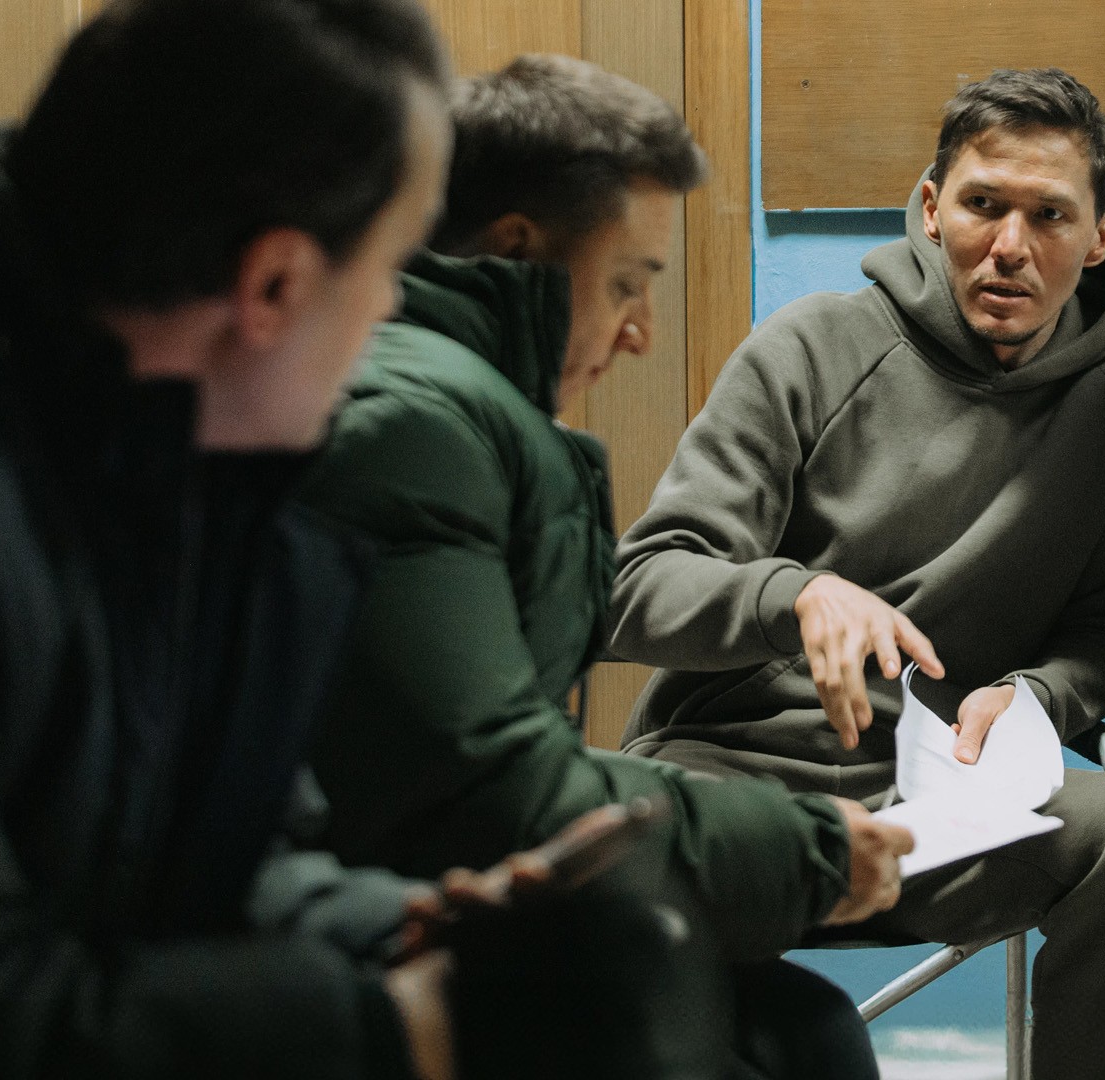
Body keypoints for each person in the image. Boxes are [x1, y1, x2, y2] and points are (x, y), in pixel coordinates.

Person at [0, 4, 727, 1079]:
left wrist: (405, 926)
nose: (391, 314)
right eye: (390, 271)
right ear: (276, 285)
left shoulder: (194, 476)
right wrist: (385, 1030)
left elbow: (223, 868)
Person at [292, 54, 910, 1080]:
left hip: (436, 903)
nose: (640, 333)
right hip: (376, 940)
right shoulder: (413, 426)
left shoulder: (453, 409)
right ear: (518, 251)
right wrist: (796, 844)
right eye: (627, 283)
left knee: (805, 1030)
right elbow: (484, 790)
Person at [608, 67, 1105, 1080]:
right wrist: (792, 595)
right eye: (982, 205)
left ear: (1100, 236)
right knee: (606, 848)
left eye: (1049, 215)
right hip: (736, 775)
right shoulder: (811, 346)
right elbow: (638, 588)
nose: (1010, 245)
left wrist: (1035, 697)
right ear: (930, 209)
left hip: (949, 796)